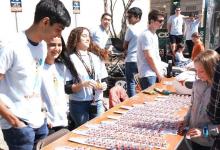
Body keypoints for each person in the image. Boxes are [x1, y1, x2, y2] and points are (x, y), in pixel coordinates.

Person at [0, 0, 71, 149]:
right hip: (19, 127)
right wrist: (13, 120)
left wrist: (43, 113)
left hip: (40, 123)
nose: (59, 35)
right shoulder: (11, 46)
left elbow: (34, 83)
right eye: (58, 29)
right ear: (45, 22)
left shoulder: (42, 47)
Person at [65, 27, 108, 128]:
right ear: (76, 39)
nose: (88, 38)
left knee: (98, 131)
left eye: (88, 36)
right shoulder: (71, 59)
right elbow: (67, 88)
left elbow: (105, 79)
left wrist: (103, 86)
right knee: (83, 133)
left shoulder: (96, 57)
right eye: (84, 36)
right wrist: (83, 84)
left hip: (97, 102)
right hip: (79, 104)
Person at [178, 50, 219, 150]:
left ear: (212, 69)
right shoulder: (197, 84)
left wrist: (204, 132)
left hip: (210, 142)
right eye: (196, 71)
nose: (198, 74)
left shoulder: (217, 91)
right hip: (194, 138)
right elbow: (192, 105)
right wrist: (186, 121)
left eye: (201, 71)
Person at [41, 36, 69, 135]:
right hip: (47, 123)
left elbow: (61, 92)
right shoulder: (37, 68)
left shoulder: (62, 67)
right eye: (52, 45)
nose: (57, 49)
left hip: (62, 119)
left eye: (59, 45)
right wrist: (44, 116)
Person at [137, 10, 165, 90]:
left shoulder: (154, 35)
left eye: (163, 21)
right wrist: (158, 73)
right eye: (160, 21)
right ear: (152, 21)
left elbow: (155, 56)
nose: (162, 23)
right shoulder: (146, 35)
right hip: (148, 74)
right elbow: (149, 57)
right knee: (150, 101)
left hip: (153, 73)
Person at [123, 7, 143, 97]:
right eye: (127, 17)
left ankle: (131, 103)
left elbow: (125, 45)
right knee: (141, 82)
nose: (128, 19)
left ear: (137, 17)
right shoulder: (145, 29)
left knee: (130, 83)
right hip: (142, 59)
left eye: (130, 17)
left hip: (131, 59)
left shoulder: (130, 29)